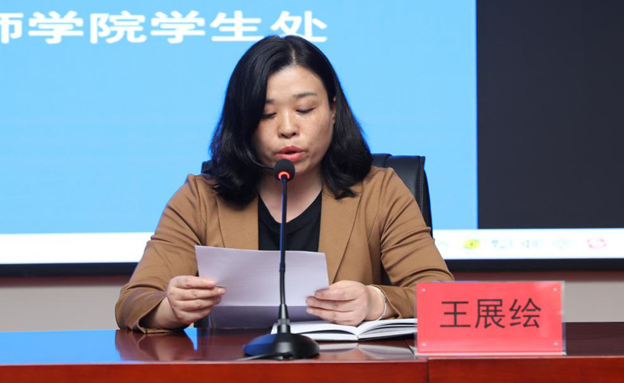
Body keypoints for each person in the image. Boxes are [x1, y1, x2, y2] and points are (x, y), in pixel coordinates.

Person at [115, 35, 453, 333]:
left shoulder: (381, 192)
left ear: (333, 110)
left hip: (349, 375)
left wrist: (376, 301)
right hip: (236, 377)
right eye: (266, 114)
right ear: (244, 122)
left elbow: (441, 295)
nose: (287, 128)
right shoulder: (201, 198)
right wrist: (169, 309)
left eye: (304, 109)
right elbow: (134, 301)